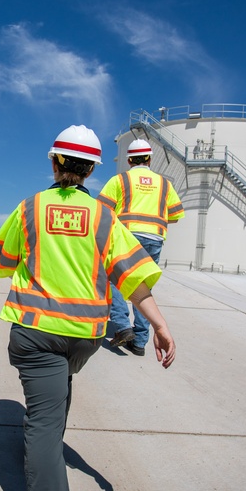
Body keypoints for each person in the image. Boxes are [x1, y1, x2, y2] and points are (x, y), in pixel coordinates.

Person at [0, 125, 176, 491]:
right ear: (93, 169)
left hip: (35, 333)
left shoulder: (31, 207)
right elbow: (133, 277)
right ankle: (48, 434)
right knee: (56, 396)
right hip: (84, 340)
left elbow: (4, 261)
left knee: (44, 430)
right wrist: (161, 326)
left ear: (54, 162)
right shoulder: (106, 219)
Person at [97, 138, 185, 356]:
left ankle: (123, 326)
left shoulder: (121, 179)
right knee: (144, 286)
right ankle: (139, 342)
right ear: (149, 159)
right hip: (154, 238)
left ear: (129, 160)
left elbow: (102, 209)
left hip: (127, 237)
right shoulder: (164, 184)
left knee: (116, 281)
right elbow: (175, 215)